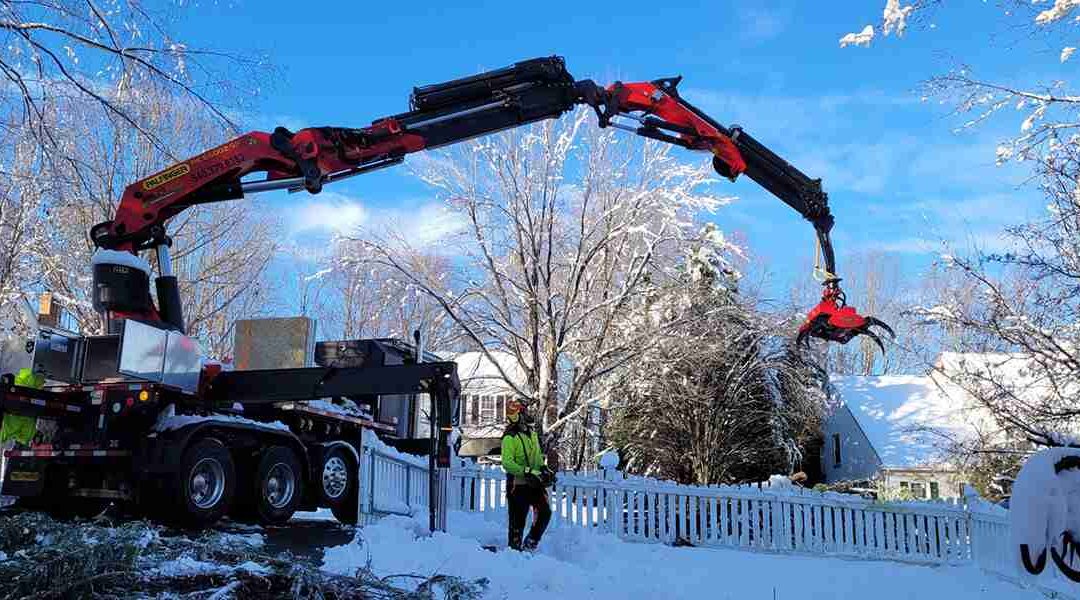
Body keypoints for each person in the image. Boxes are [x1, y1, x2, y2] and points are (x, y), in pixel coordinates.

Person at [501, 399, 553, 551]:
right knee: (517, 522)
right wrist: (526, 471)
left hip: (534, 483)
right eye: (525, 411)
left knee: (545, 513)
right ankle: (514, 553)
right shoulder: (509, 437)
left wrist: (543, 468)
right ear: (518, 415)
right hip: (517, 486)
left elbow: (537, 457)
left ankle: (531, 543)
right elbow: (507, 463)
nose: (529, 414)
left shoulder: (532, 434)